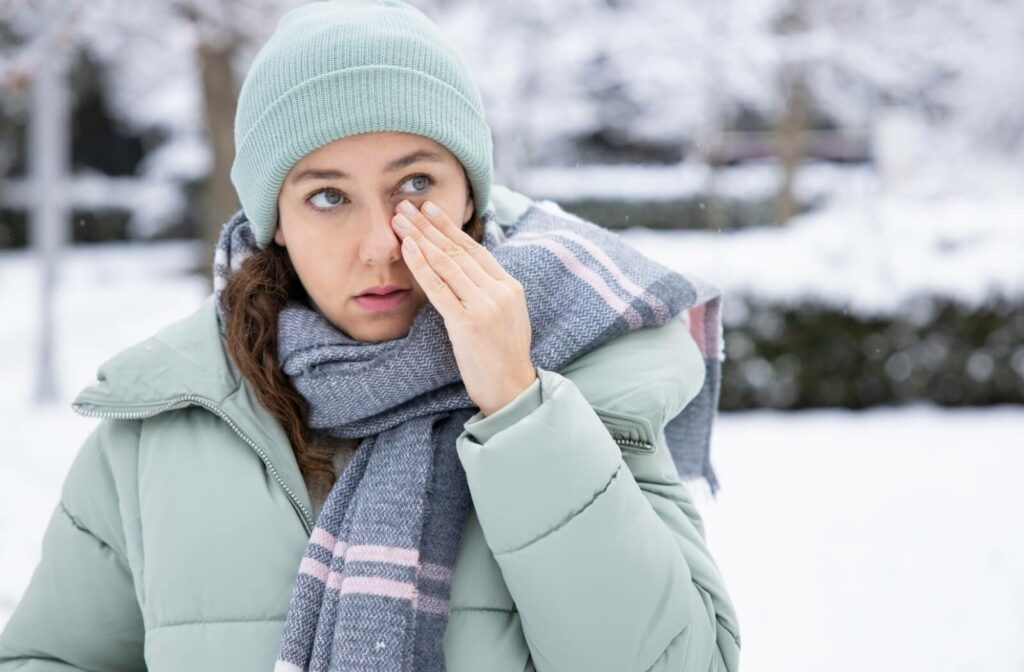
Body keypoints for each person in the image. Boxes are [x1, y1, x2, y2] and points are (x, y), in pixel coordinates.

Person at [0, 1, 741, 670]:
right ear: (276, 224)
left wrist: (520, 407)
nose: (380, 246)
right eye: (327, 196)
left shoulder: (592, 369)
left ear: (469, 194)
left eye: (416, 185)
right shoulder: (165, 420)